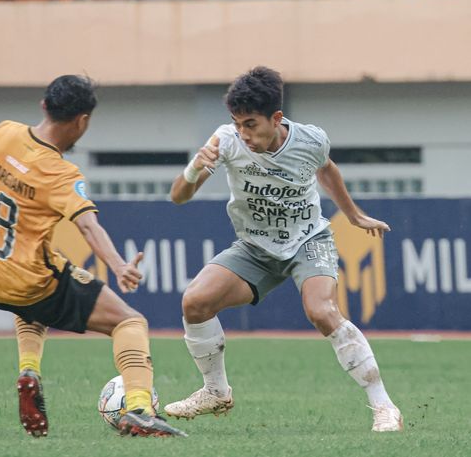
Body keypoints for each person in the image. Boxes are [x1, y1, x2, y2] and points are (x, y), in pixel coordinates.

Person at [164, 66, 402, 432]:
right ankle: (216, 391)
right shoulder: (225, 141)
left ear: (276, 118)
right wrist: (196, 168)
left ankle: (384, 407)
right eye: (237, 123)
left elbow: (326, 170)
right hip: (254, 247)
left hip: (308, 240)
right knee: (194, 302)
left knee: (321, 312)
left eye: (251, 124)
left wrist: (353, 216)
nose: (243, 134)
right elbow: (178, 197)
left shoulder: (310, 139)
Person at [0, 75, 186, 438]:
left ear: (44, 106)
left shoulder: (3, 134)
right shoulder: (60, 172)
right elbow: (90, 227)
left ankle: (29, 369)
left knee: (36, 291)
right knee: (129, 322)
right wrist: (119, 265)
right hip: (31, 279)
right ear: (83, 121)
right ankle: (139, 407)